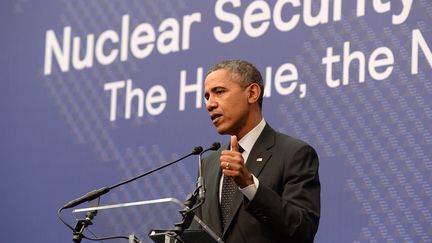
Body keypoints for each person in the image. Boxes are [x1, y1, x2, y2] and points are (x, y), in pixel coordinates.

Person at [192, 59, 321, 243]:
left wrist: (249, 185)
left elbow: (303, 228)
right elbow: (197, 231)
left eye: (219, 92)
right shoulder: (209, 163)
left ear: (252, 93)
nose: (210, 104)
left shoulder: (294, 154)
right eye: (207, 96)